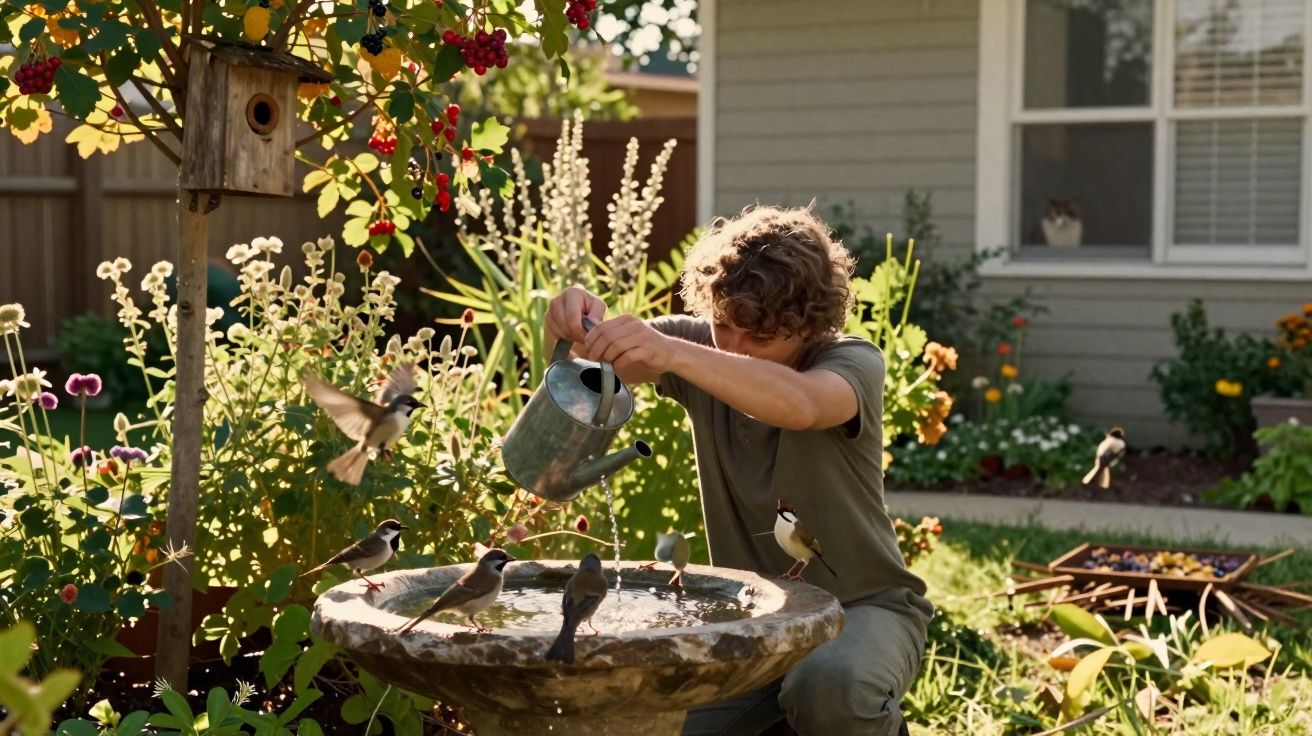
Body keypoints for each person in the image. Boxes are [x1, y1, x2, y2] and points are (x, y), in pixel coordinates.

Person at [545, 204, 933, 736]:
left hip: (864, 610)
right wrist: (567, 325)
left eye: (760, 337)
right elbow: (587, 372)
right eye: (724, 326)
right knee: (653, 716)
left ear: (809, 326)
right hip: (754, 618)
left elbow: (802, 405)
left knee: (830, 688)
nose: (735, 346)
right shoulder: (697, 344)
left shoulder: (851, 362)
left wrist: (675, 354)